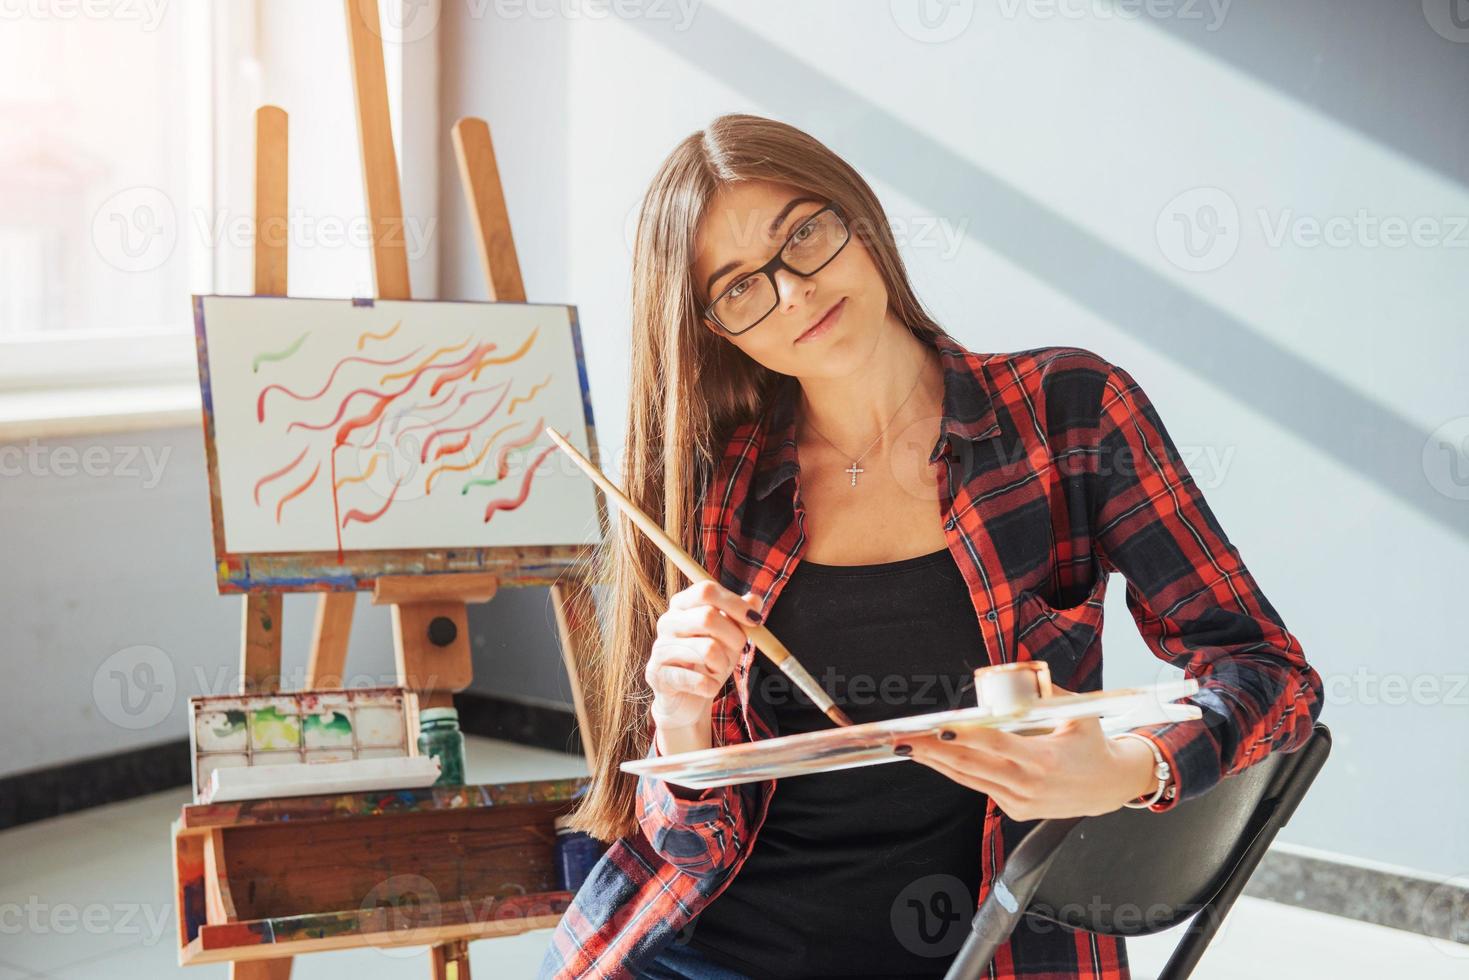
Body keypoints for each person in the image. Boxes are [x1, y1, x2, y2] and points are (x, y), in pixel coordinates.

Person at [538, 113, 1323, 980]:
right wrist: (681, 716)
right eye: (737, 287)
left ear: (857, 219)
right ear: (715, 328)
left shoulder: (1069, 412)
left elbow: (1269, 673)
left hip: (986, 959)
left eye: (803, 235)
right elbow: (688, 848)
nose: (792, 291)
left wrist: (1130, 770)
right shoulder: (715, 486)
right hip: (698, 952)